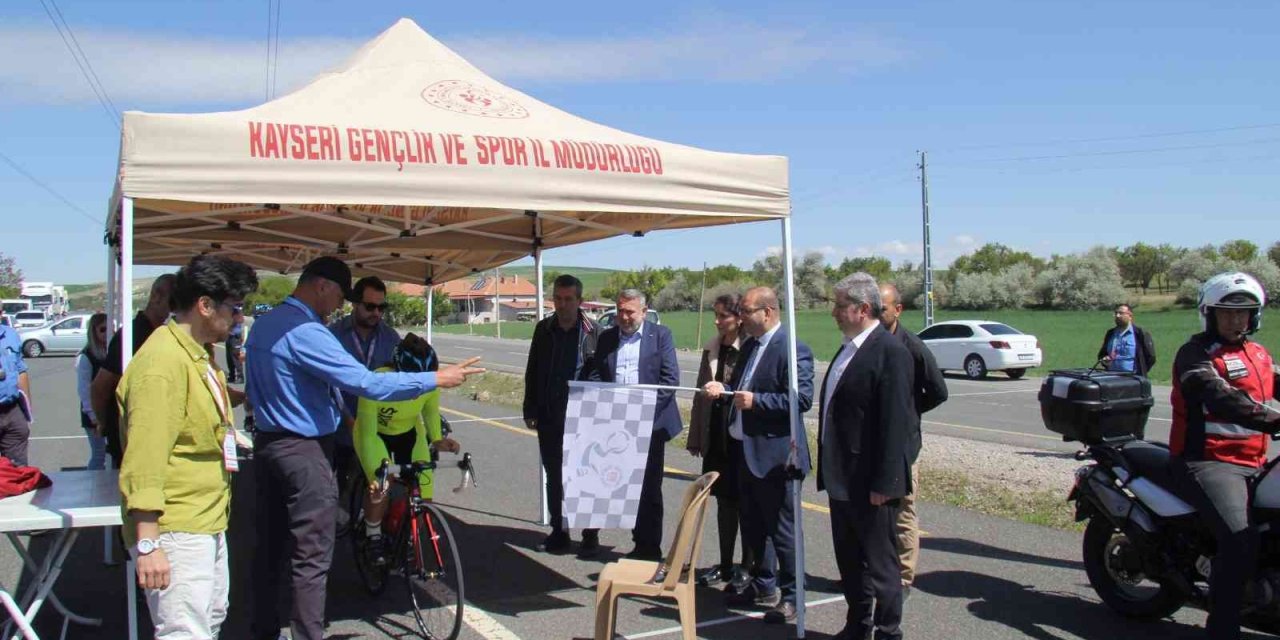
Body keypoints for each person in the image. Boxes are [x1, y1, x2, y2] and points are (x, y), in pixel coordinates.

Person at [245, 256, 483, 640]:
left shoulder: (264, 325)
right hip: (304, 449)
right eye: (341, 296)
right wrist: (436, 377)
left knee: (270, 546)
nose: (339, 305)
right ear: (321, 286)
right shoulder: (309, 330)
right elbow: (366, 383)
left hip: (269, 442)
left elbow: (267, 394)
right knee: (312, 554)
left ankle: (263, 630)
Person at [117, 255, 258, 639]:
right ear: (205, 305)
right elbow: (144, 459)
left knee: (208, 620)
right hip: (175, 526)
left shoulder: (198, 356)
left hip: (205, 518)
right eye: (235, 308)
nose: (239, 319)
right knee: (183, 631)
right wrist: (149, 543)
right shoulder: (162, 365)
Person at [1169, 272, 1280, 640]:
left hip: (1254, 462)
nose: (1237, 320)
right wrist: (1275, 420)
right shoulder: (1195, 355)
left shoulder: (1258, 353)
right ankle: (1222, 629)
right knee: (1239, 538)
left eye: (1245, 313)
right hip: (1210, 462)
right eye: (1228, 313)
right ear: (1210, 314)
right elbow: (1220, 397)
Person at [702, 286, 814, 625]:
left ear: (768, 312)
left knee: (783, 531)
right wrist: (724, 392)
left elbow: (800, 400)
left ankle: (793, 597)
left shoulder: (792, 349)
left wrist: (757, 402)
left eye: (747, 311)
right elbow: (742, 390)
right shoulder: (751, 346)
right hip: (745, 453)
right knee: (753, 528)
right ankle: (763, 585)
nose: (742, 317)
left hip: (777, 457)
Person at [817, 273, 916, 640]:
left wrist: (886, 484)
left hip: (872, 483)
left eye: (839, 305)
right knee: (849, 561)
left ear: (861, 309)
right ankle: (857, 625)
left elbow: (895, 424)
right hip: (843, 477)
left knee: (881, 566)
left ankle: (888, 631)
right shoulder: (849, 348)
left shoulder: (890, 352)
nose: (833, 313)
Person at [585, 289, 681, 561]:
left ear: (644, 310)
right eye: (620, 311)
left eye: (630, 312)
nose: (624, 317)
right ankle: (595, 534)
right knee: (614, 482)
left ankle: (648, 547)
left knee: (649, 488)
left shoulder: (660, 336)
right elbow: (595, 374)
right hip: (615, 424)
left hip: (649, 425)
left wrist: (640, 416)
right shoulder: (606, 338)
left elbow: (669, 381)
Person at [353, 333, 460, 565]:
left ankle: (409, 537)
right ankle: (372, 536)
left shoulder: (431, 382)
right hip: (374, 434)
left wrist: (438, 439)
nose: (419, 387)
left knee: (424, 492)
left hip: (410, 433)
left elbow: (430, 414)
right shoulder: (376, 381)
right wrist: (378, 474)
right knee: (382, 484)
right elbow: (368, 435)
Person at [522, 274, 602, 556]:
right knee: (555, 475)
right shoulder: (544, 329)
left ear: (580, 301)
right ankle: (560, 530)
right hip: (549, 414)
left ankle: (590, 533)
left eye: (569, 299)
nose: (563, 304)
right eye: (558, 298)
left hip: (586, 417)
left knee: (587, 474)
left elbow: (603, 373)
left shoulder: (595, 331)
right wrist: (530, 407)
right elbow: (532, 370)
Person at [878, 283, 948, 599]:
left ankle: (903, 578)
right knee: (876, 513)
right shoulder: (869, 343)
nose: (878, 315)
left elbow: (938, 391)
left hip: (905, 446)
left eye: (883, 309)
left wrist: (907, 410)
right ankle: (875, 571)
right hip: (875, 444)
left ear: (897, 309)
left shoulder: (913, 347)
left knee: (903, 512)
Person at [687, 292, 752, 590]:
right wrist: (697, 436)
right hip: (717, 434)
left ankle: (747, 566)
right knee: (724, 502)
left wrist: (724, 388)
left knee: (746, 503)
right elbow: (700, 396)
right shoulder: (712, 348)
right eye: (715, 314)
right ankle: (725, 564)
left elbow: (746, 387)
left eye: (723, 315)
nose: (717, 321)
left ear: (739, 317)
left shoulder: (750, 347)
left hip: (741, 435)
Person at [329, 276, 402, 531]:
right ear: (354, 304)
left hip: (376, 429)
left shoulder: (391, 338)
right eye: (370, 307)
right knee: (336, 485)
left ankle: (372, 532)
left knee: (379, 483)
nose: (376, 313)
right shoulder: (333, 335)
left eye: (382, 308)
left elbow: (398, 379)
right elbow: (330, 382)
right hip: (340, 426)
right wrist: (347, 417)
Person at [91, 273, 176, 467]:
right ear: (156, 296)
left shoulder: (161, 333)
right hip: (130, 440)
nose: (176, 309)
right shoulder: (132, 335)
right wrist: (105, 424)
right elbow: (100, 387)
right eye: (174, 301)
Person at [76, 312, 110, 470]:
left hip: (109, 411)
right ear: (94, 332)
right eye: (102, 330)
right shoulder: (86, 357)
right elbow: (84, 390)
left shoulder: (112, 352)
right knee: (99, 453)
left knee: (112, 453)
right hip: (94, 414)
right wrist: (94, 417)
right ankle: (94, 486)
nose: (106, 333)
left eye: (109, 329)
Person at [0, 312, 32, 466]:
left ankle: (17, 488)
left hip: (12, 409)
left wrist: (27, 410)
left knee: (18, 470)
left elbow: (21, 371)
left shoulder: (11, 335)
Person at [1097, 303, 1157, 375]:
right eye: (1116, 313)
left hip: (1133, 378)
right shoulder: (1111, 333)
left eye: (1121, 313)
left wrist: (1141, 372)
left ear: (1130, 316)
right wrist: (1104, 360)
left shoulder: (1140, 333)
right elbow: (1102, 354)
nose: (1117, 316)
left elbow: (1151, 357)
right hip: (1112, 378)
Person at [225, 308, 245, 383]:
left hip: (235, 336)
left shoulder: (237, 310)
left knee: (236, 357)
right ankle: (232, 376)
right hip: (229, 335)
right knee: (229, 358)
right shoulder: (230, 309)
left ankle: (240, 377)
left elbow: (241, 320)